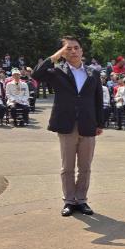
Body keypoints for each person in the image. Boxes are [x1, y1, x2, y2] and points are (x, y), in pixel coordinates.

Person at [32, 36, 104, 217]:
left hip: (88, 124)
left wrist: (100, 123)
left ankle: (82, 199)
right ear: (63, 53)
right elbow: (36, 75)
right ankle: (69, 200)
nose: (73, 51)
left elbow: (98, 99)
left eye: (76, 48)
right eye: (69, 49)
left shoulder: (93, 72)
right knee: (67, 166)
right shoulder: (57, 71)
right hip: (66, 124)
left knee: (85, 166)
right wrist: (56, 56)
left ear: (82, 51)